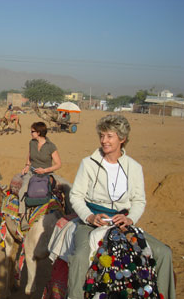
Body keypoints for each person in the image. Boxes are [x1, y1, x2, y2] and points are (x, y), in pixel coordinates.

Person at [68, 114, 175, 299]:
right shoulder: (88, 164)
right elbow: (76, 195)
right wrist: (89, 216)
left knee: (164, 253)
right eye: (102, 136)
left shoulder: (134, 167)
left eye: (109, 136)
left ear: (122, 138)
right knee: (79, 257)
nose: (104, 140)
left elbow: (139, 200)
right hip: (91, 221)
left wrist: (129, 218)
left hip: (122, 223)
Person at [19, 122, 62, 227]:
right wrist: (27, 166)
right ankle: (23, 217)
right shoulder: (32, 142)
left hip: (46, 173)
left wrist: (45, 170)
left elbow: (58, 164)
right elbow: (29, 155)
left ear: (38, 132)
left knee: (68, 188)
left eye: (32, 131)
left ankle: (69, 214)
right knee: (23, 189)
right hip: (32, 172)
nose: (31, 133)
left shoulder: (51, 146)